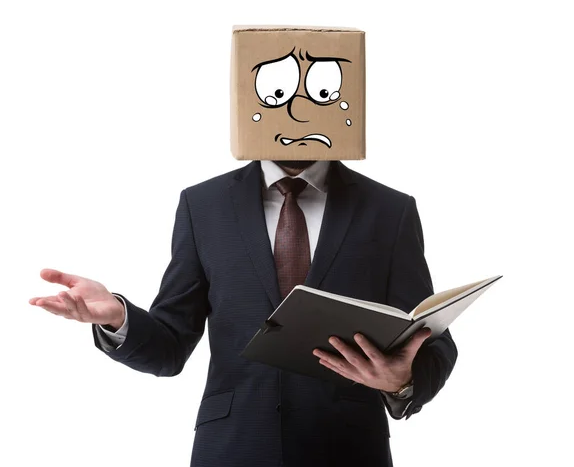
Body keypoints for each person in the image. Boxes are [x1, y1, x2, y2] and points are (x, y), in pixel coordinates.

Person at [30, 27, 457, 467]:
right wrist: (119, 318)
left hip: (348, 447)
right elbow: (171, 345)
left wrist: (402, 379)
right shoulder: (204, 206)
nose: (298, 110)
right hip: (233, 447)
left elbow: (431, 338)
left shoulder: (389, 211)